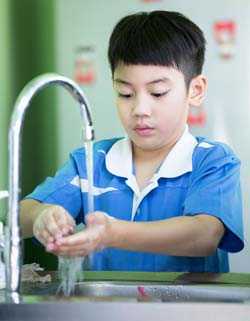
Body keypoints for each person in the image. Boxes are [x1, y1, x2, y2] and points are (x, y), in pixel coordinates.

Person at [20, 10, 244, 272]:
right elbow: (21, 214)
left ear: (195, 91)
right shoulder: (91, 162)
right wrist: (40, 217)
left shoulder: (213, 160)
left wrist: (112, 234)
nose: (140, 109)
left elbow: (203, 235)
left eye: (157, 93)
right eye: (125, 93)